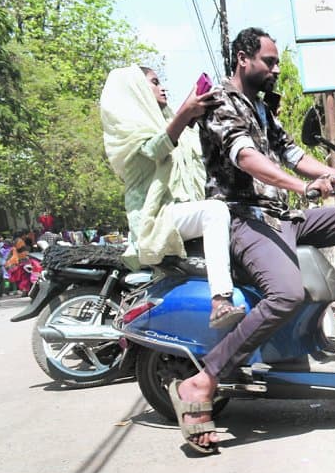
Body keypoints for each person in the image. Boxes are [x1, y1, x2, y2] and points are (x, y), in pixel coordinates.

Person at [170, 27, 335, 454]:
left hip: (281, 217)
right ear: (242, 59)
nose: (275, 69)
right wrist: (301, 187)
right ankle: (204, 380)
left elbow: (293, 154)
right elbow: (246, 159)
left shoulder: (262, 110)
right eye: (269, 61)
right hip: (243, 219)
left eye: (276, 63)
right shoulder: (220, 103)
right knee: (286, 292)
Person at [100, 65, 245, 329]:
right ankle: (220, 301)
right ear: (138, 90)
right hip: (155, 218)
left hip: (180, 214)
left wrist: (196, 110)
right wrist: (185, 113)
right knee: (214, 211)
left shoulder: (167, 124)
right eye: (155, 83)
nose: (162, 87)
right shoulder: (129, 131)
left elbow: (188, 143)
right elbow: (157, 148)